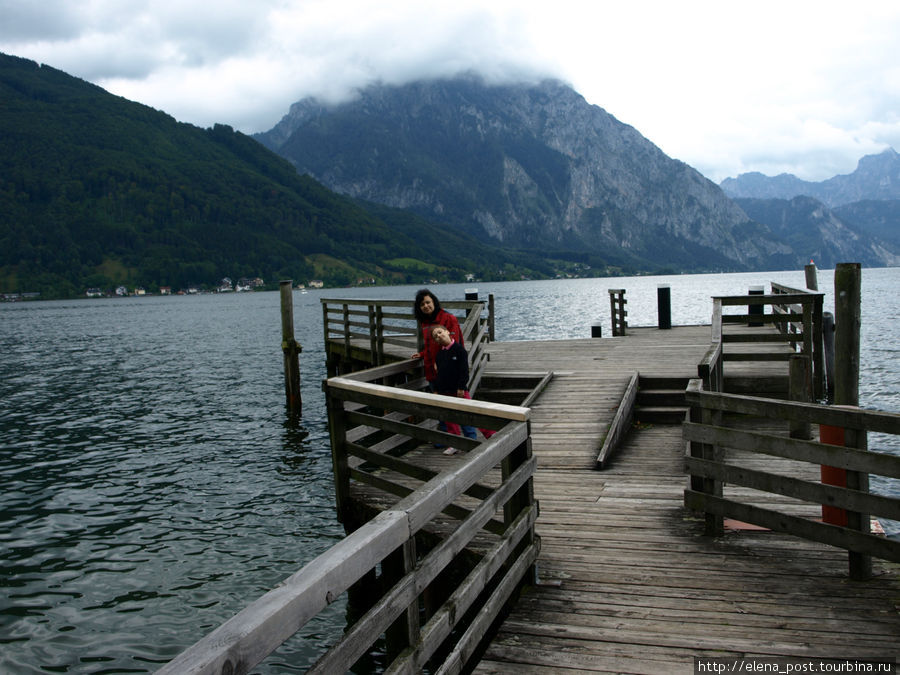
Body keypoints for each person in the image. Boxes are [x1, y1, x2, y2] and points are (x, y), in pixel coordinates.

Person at [430, 324, 496, 454]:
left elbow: (464, 371)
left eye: (440, 332)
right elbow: (439, 375)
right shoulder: (439, 355)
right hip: (445, 392)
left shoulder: (459, 350)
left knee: (471, 414)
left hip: (459, 390)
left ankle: (490, 434)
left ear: (447, 332)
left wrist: (461, 387)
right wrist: (437, 390)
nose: (438, 336)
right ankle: (454, 444)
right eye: (435, 336)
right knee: (449, 419)